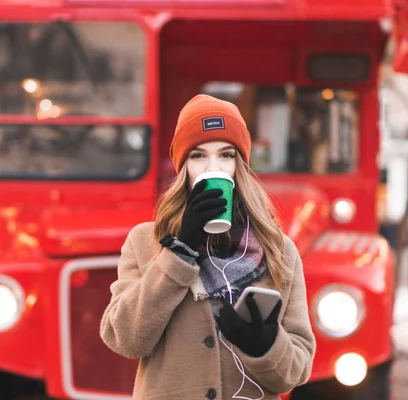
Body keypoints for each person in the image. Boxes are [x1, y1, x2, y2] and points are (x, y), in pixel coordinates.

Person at [100, 94, 316, 400]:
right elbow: (124, 339)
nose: (212, 166)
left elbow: (296, 371)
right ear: (183, 168)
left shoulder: (279, 250)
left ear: (240, 166)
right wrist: (179, 251)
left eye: (226, 155)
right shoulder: (145, 242)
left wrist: (266, 345)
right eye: (198, 156)